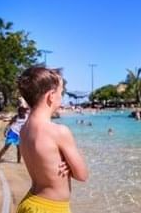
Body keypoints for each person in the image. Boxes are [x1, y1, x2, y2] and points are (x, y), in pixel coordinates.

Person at [16, 66, 88, 213]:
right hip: (51, 208)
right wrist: (71, 161)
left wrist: (67, 163)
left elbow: (43, 163)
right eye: (61, 92)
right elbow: (82, 175)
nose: (62, 97)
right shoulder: (58, 131)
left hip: (29, 203)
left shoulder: (23, 130)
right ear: (51, 96)